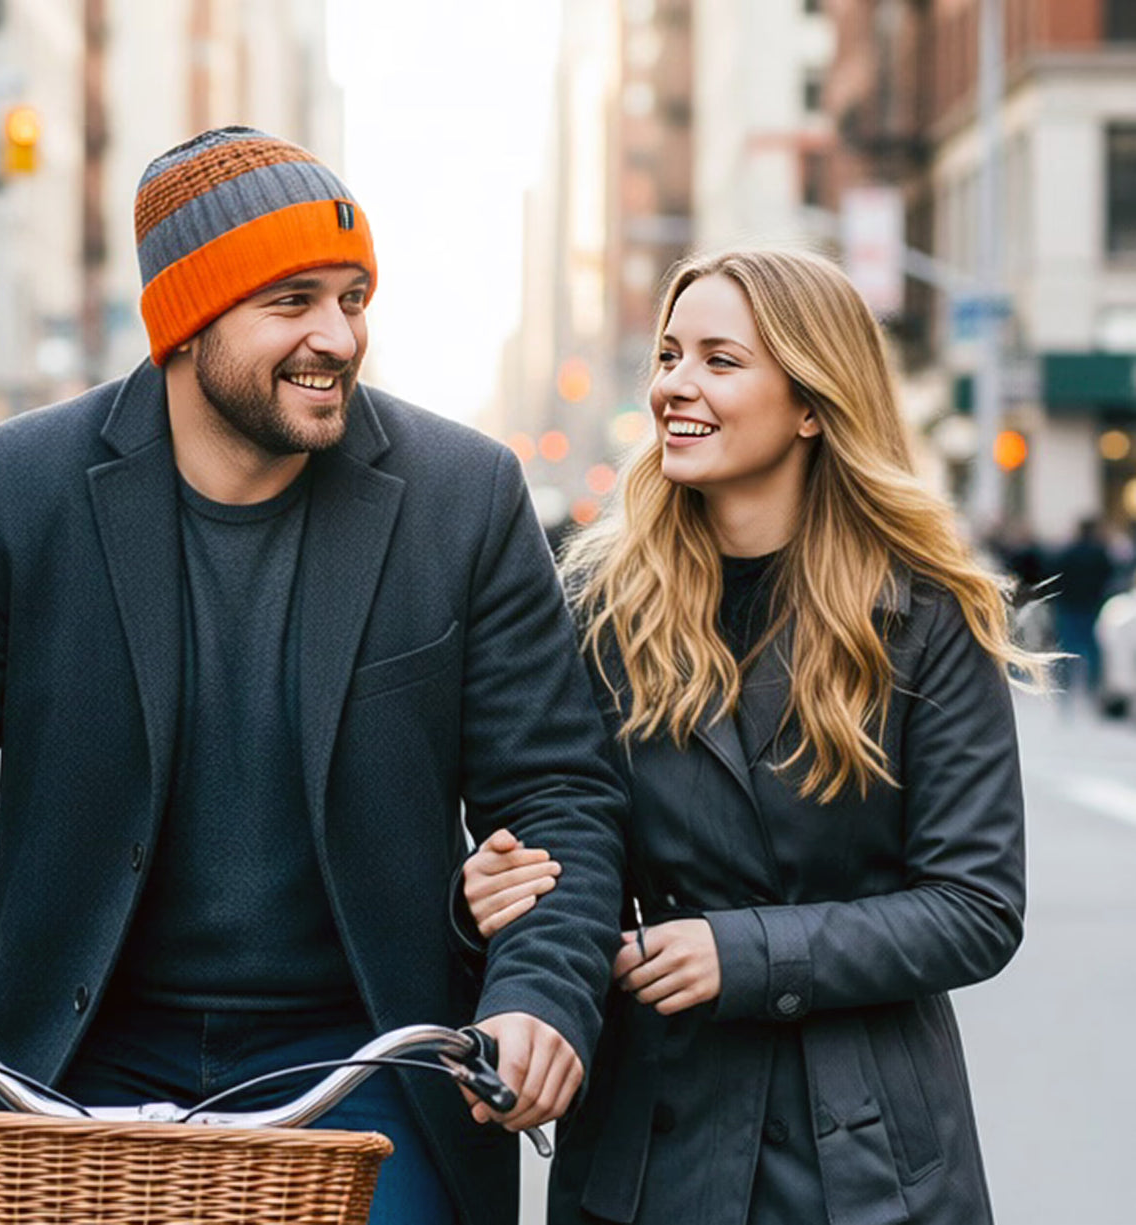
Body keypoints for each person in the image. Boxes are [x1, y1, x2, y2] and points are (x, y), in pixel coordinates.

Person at [0, 127, 626, 1225]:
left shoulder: (465, 497)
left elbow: (557, 790)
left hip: (368, 1058)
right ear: (186, 319)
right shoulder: (16, 488)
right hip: (68, 1057)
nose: (338, 336)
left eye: (353, 297)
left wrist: (539, 993)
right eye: (293, 301)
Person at [462, 248, 1039, 1225]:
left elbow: (975, 904)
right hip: (650, 1148)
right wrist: (489, 887)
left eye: (718, 361)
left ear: (811, 403)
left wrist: (747, 953)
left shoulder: (924, 612)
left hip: (864, 1164)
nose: (673, 387)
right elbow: (565, 832)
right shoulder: (599, 609)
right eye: (668, 354)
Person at [1049, 516, 1114, 699]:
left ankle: (1066, 684)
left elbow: (1056, 578)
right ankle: (1092, 685)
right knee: (1093, 647)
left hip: (1069, 605)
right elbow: (1108, 577)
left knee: (1068, 646)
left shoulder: (1067, 553)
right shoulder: (1100, 553)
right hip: (1092, 605)